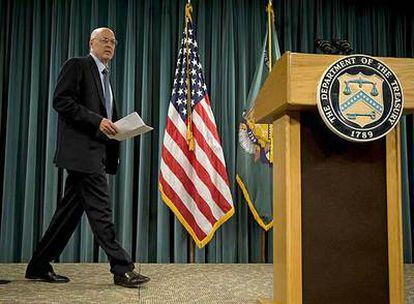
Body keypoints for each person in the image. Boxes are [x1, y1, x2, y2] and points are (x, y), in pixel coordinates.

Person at [25, 27, 149, 288]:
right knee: (101, 212)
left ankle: (38, 265)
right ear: (91, 42)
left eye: (113, 42)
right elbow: (61, 101)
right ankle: (121, 268)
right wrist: (97, 121)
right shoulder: (77, 65)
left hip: (97, 154)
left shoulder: (106, 78)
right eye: (104, 40)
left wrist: (116, 130)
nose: (110, 45)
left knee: (67, 215)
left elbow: (104, 117)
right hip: (82, 154)